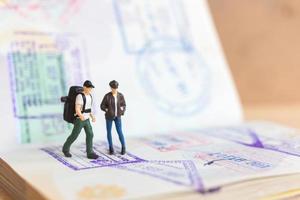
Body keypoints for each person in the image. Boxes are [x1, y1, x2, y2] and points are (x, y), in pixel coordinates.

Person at [62, 80, 99, 159]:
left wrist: (92, 116)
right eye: (89, 87)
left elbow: (88, 108)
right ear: (84, 87)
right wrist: (81, 115)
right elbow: (77, 109)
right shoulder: (80, 96)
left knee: (90, 134)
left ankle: (90, 152)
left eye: (91, 88)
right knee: (74, 135)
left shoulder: (90, 96)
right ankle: (65, 149)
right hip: (80, 120)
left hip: (87, 119)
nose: (90, 89)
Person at [100, 80, 126, 155]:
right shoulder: (107, 96)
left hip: (118, 116)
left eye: (115, 88)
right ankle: (111, 147)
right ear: (111, 88)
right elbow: (102, 105)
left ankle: (123, 146)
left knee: (119, 131)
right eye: (113, 88)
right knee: (109, 132)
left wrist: (122, 111)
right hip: (109, 116)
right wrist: (106, 109)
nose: (114, 89)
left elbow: (123, 105)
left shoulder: (120, 95)